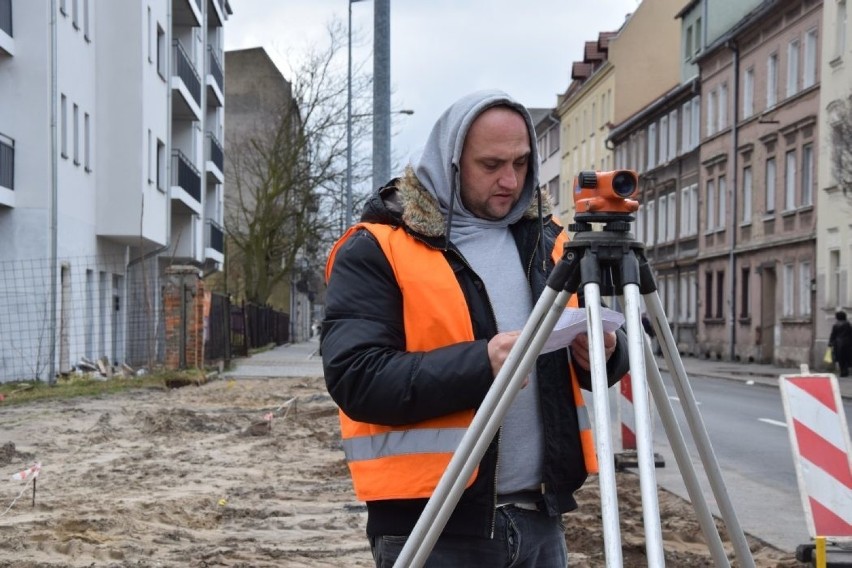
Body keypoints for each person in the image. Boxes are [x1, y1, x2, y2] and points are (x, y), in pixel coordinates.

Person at [321, 89, 630, 567]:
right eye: (491, 165)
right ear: (451, 162)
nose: (510, 180)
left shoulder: (549, 240)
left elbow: (583, 350)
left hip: (540, 518)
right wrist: (482, 363)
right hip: (431, 526)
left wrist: (606, 353)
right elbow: (356, 378)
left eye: (521, 163)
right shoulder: (378, 248)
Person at [829, 310, 852, 377]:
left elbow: (833, 335)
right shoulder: (847, 324)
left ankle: (842, 371)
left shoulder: (835, 325)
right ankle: (846, 370)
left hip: (838, 343)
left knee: (840, 358)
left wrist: (830, 343)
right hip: (848, 343)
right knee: (847, 357)